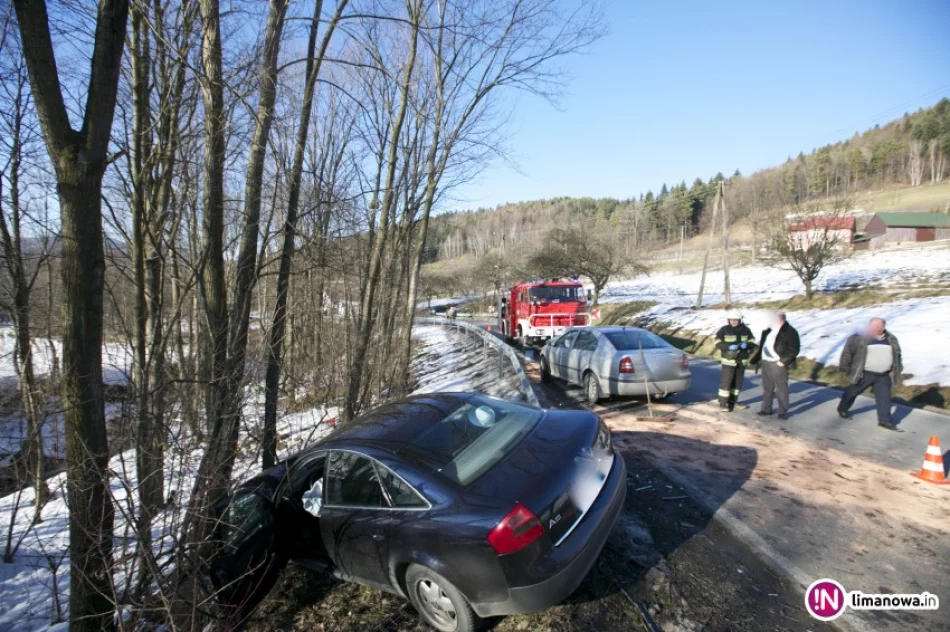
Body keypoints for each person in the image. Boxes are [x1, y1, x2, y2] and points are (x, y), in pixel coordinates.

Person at [837, 317, 903, 431]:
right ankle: (843, 408)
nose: (875, 328)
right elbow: (847, 353)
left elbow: (897, 355)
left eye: (878, 326)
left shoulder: (891, 339)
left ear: (883, 327)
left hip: (883, 375)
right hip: (863, 373)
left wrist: (898, 368)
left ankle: (884, 421)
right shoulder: (859, 338)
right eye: (873, 326)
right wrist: (845, 367)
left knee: (884, 398)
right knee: (852, 392)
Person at [750, 310, 800, 420]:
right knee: (767, 387)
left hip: (778, 363)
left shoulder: (790, 331)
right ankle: (766, 409)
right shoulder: (768, 330)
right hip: (766, 362)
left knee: (781, 387)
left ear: (780, 318)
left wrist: (783, 361)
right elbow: (763, 345)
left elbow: (794, 349)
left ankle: (782, 411)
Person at [715, 309, 757, 412]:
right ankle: (723, 403)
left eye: (736, 320)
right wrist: (728, 347)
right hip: (728, 360)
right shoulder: (724, 330)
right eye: (731, 320)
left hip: (741, 360)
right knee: (726, 382)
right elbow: (717, 342)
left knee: (737, 383)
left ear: (740, 320)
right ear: (728, 320)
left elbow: (752, 341)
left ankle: (733, 401)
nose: (733, 322)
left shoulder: (746, 330)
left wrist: (747, 345)